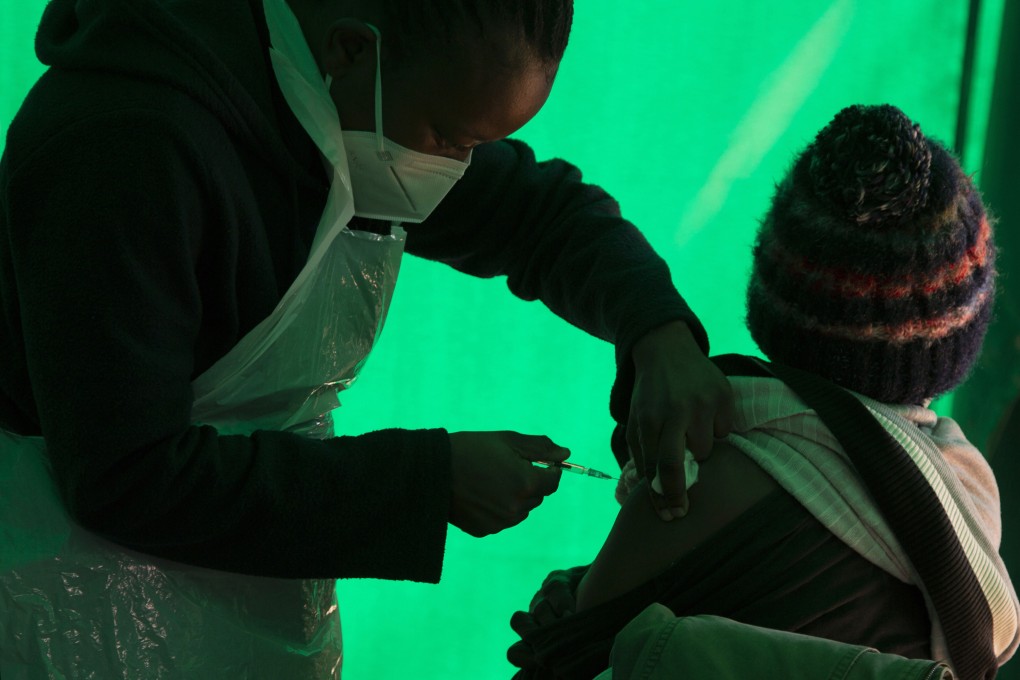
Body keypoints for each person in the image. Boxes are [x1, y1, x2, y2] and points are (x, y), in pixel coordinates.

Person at [0, 0, 735, 676]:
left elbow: (537, 216)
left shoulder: (360, 106)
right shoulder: (127, 145)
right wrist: (425, 481)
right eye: (450, 138)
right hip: (56, 594)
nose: (454, 169)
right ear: (352, 50)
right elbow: (128, 474)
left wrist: (656, 329)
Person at [507, 104, 1020, 679]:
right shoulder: (965, 504)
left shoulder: (698, 468)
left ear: (773, 299)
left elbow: (564, 656)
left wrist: (566, 608)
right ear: (958, 339)